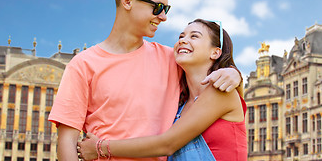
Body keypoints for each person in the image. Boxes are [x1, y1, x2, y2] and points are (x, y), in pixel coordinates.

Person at [48, 0, 242, 161]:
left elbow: (207, 72)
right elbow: (68, 141)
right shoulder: (83, 65)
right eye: (157, 7)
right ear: (127, 1)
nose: (163, 17)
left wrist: (233, 73)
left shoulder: (172, 59)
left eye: (166, 8)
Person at [78, 19, 247, 161]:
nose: (182, 40)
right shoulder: (180, 103)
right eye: (181, 36)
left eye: (194, 36)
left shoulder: (220, 92)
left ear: (215, 52)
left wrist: (100, 148)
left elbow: (166, 145)